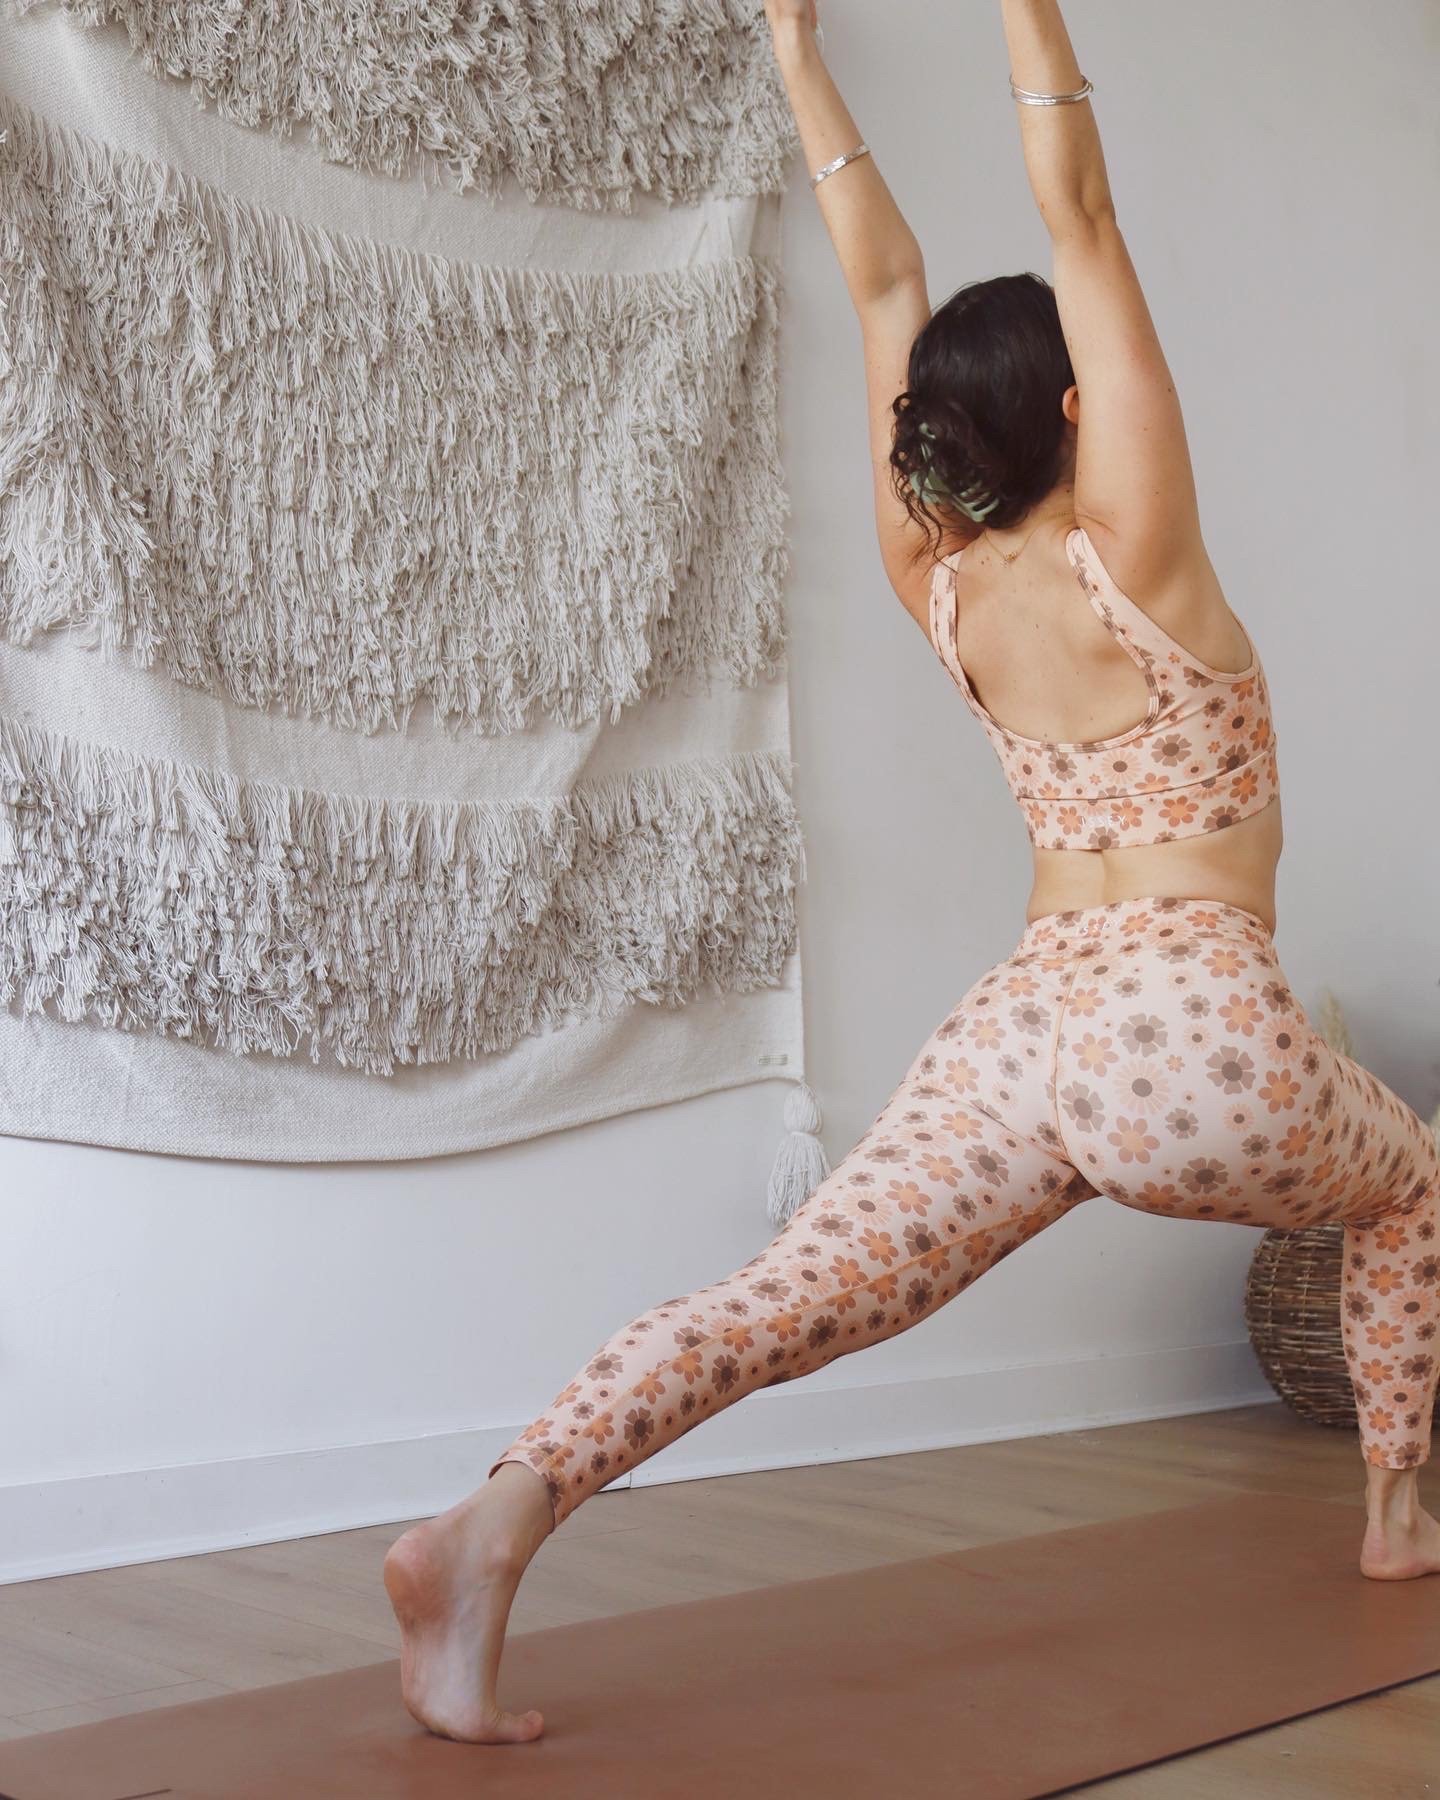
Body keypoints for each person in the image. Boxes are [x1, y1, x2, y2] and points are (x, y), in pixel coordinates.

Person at [382, 0, 1440, 1744]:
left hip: (1025, 1026)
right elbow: (1081, 217)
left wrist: (799, 62)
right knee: (1408, 1183)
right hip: (1193, 1031)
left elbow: (889, 292)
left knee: (787, 1298)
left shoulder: (935, 581)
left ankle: (493, 1522)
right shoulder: (1142, 560)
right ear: (1082, 415)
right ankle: (1397, 1520)